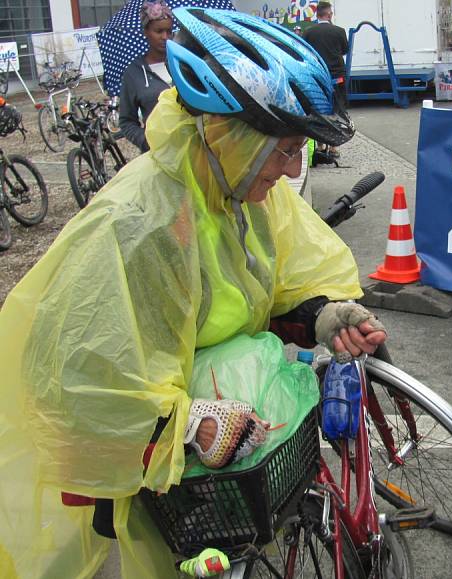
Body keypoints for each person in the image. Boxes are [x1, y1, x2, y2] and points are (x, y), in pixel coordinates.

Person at [0, 8, 387, 578]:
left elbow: (282, 278)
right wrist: (182, 425)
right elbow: (70, 374)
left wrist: (324, 314)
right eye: (281, 149)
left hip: (226, 462)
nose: (288, 169)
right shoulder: (136, 223)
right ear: (225, 133)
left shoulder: (238, 188)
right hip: (161, 483)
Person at [119, 0, 173, 153]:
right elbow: (126, 121)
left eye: (169, 31)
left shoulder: (183, 64)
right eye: (159, 31)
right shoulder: (134, 73)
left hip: (193, 152)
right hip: (158, 154)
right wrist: (145, 140)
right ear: (146, 32)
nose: (165, 37)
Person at [303, 1, 349, 157]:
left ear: (317, 14)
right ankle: (334, 145)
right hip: (336, 75)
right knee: (337, 108)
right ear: (329, 14)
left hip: (317, 76)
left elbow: (305, 52)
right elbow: (344, 50)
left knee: (318, 108)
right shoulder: (339, 31)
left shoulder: (309, 32)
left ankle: (321, 144)